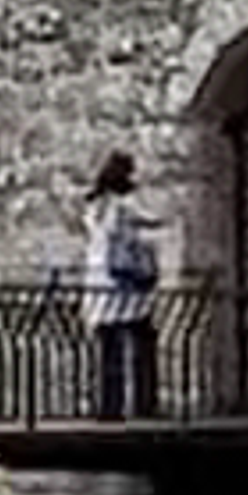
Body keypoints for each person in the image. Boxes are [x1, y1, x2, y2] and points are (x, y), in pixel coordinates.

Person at [80, 149, 162, 420]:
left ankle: (109, 406)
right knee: (142, 341)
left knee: (110, 350)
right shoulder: (124, 206)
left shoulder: (95, 206)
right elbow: (151, 222)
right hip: (125, 284)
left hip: (99, 282)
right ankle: (144, 404)